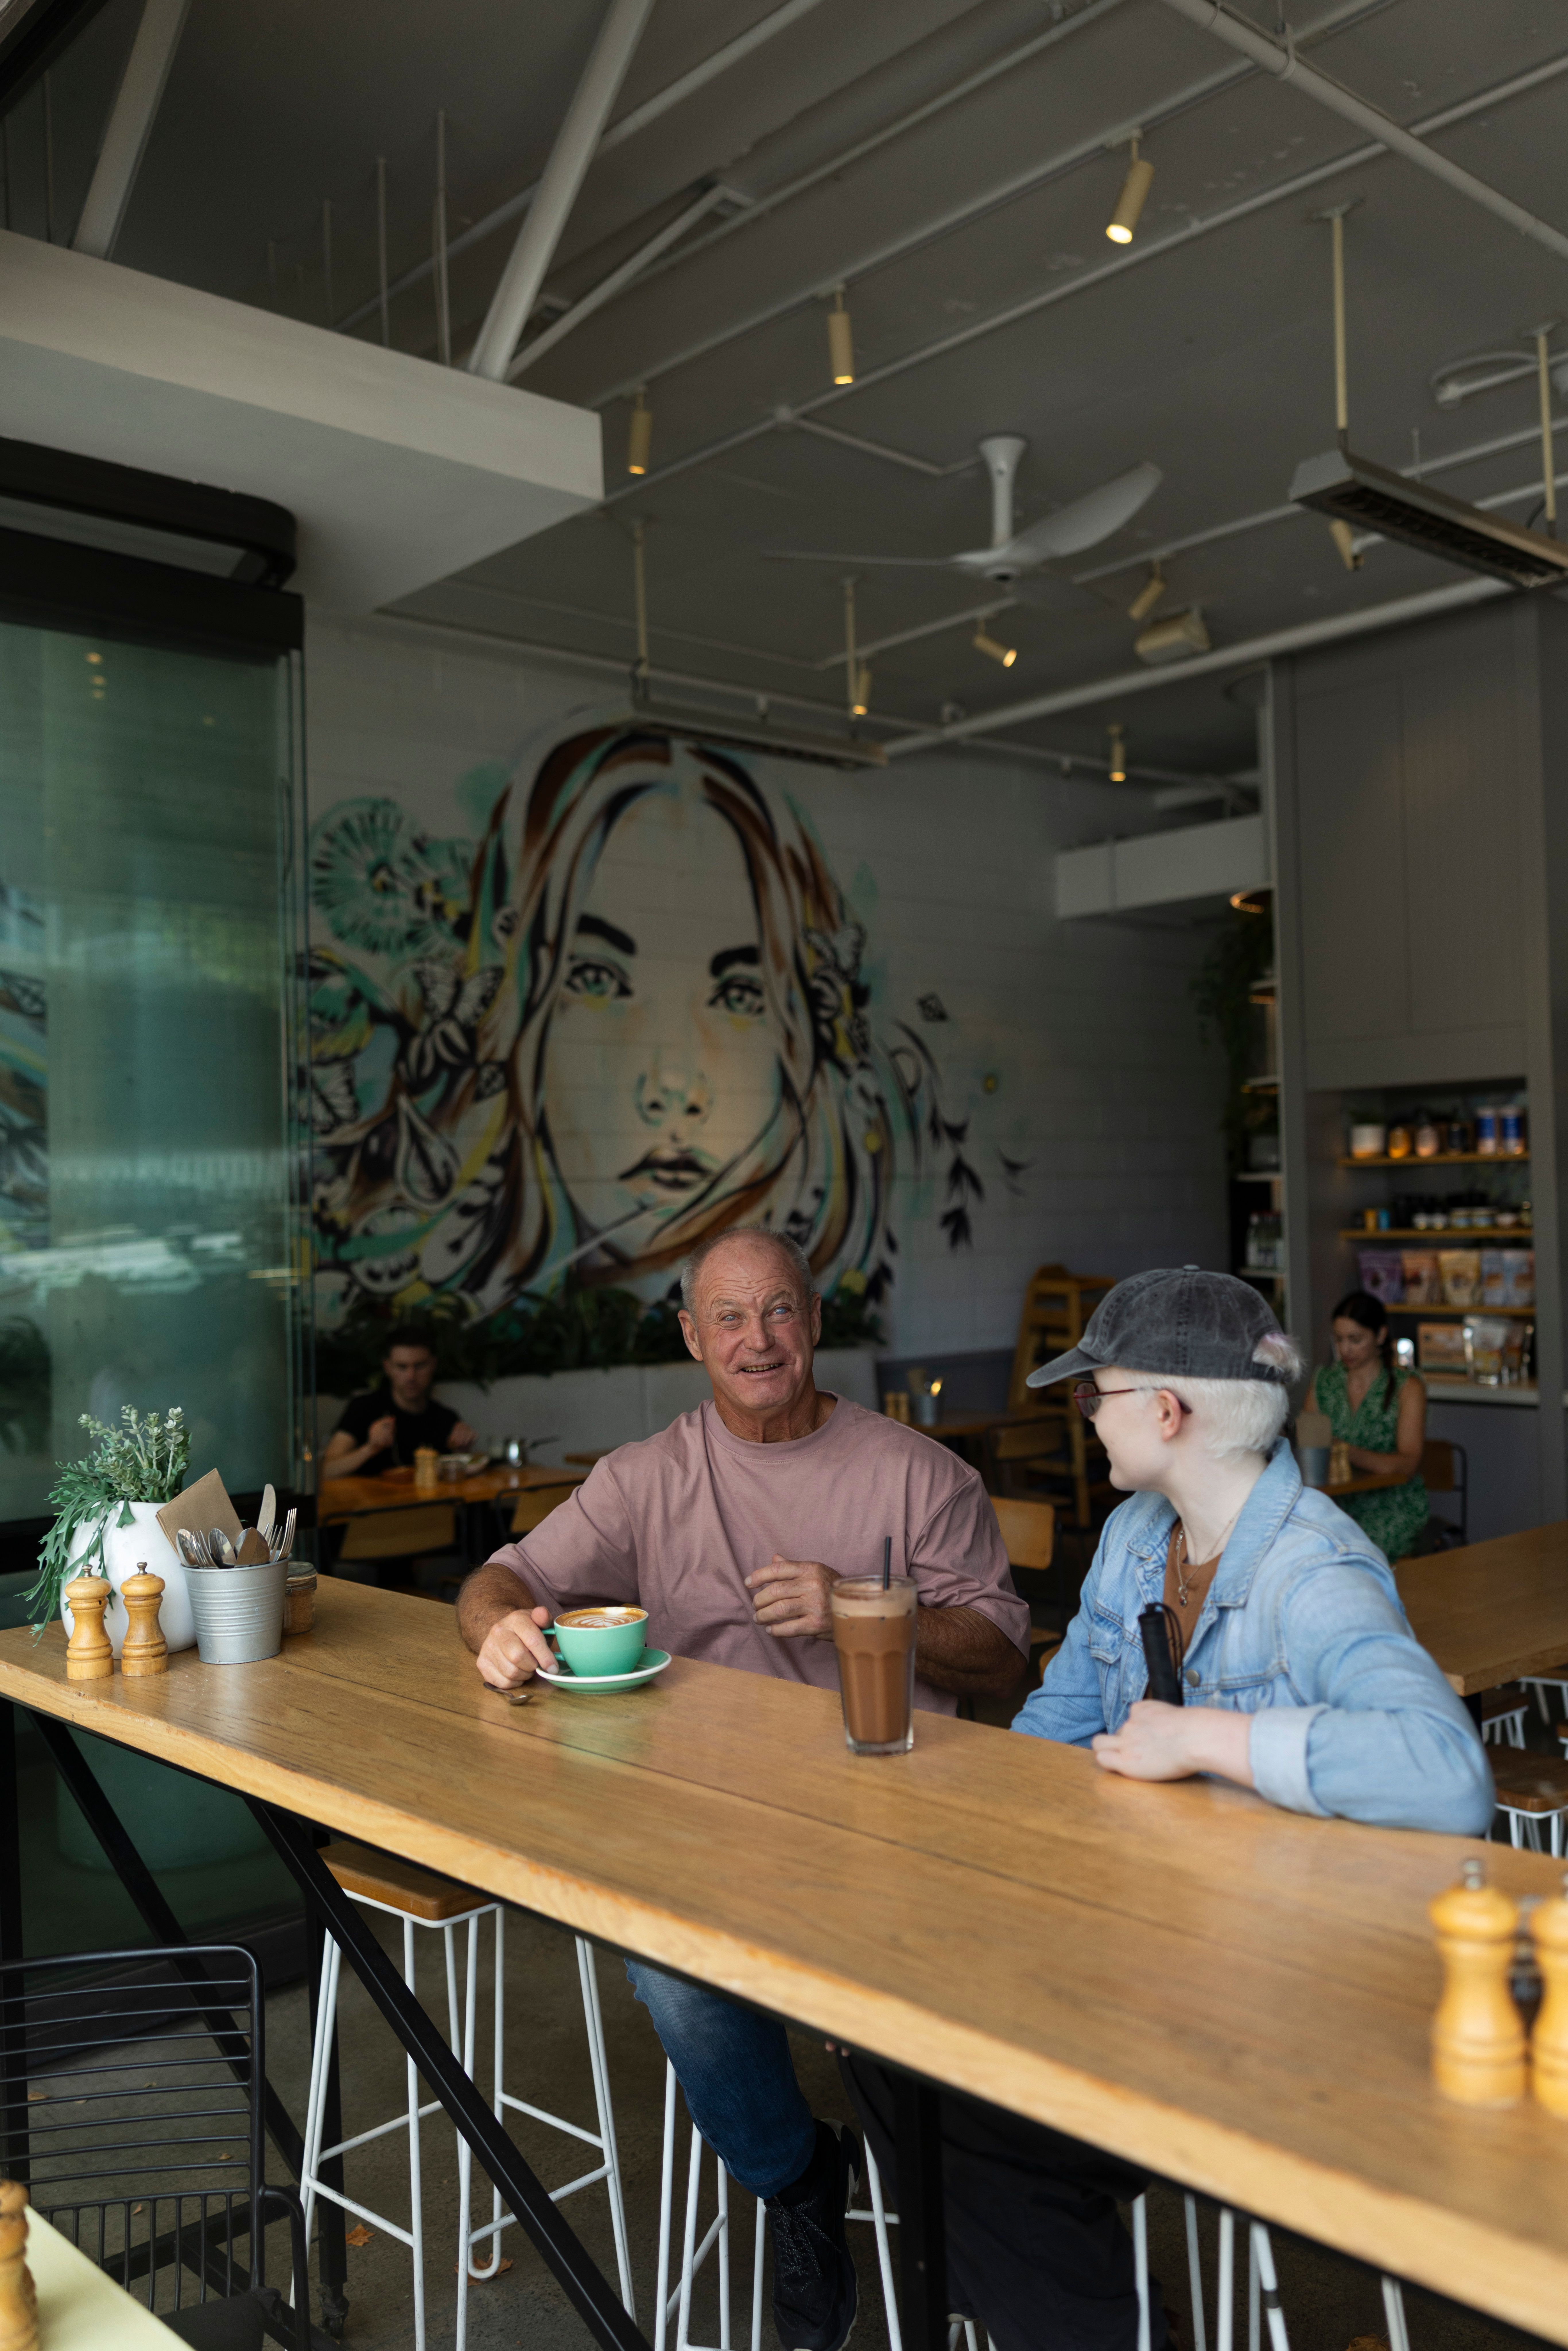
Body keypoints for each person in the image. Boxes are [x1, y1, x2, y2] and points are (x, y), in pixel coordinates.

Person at [840, 1267, 1491, 2351]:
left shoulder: (1314, 1568)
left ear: (1167, 1409)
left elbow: (1446, 1770)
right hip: (1142, 1955)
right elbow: (1053, 1726)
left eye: (1093, 1393)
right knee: (886, 2041)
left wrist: (1200, 1739)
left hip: (1281, 1994)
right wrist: (950, 1831)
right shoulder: (1137, 1536)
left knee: (957, 2117)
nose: (1083, 1414)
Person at [457, 1225, 1029, 2351]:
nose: (755, 1338)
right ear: (691, 1336)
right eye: (728, 1316)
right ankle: (799, 2178)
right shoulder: (646, 1476)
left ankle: (973, 2224)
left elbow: (1005, 1654)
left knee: (895, 2025)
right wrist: (499, 1632)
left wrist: (862, 1605)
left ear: (813, 1322)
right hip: (706, 1828)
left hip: (891, 1818)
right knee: (669, 1966)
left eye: (776, 1310)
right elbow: (502, 1576)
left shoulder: (917, 1473)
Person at [1305, 1289, 1428, 1562]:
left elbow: (1408, 1464)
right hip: (1333, 1505)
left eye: (1356, 1340)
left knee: (1356, 1554)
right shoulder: (1324, 1381)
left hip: (1390, 1507)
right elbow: (1309, 1447)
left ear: (1381, 1336)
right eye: (1339, 1339)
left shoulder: (1407, 1387)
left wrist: (1345, 1452)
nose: (1345, 1350)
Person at [323, 1329, 476, 1478]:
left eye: (420, 1366)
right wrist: (370, 1448)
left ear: (433, 1365)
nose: (411, 1377)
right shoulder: (364, 1408)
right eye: (402, 1367)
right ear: (388, 1367)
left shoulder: (446, 1418)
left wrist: (461, 1454)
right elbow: (326, 1470)